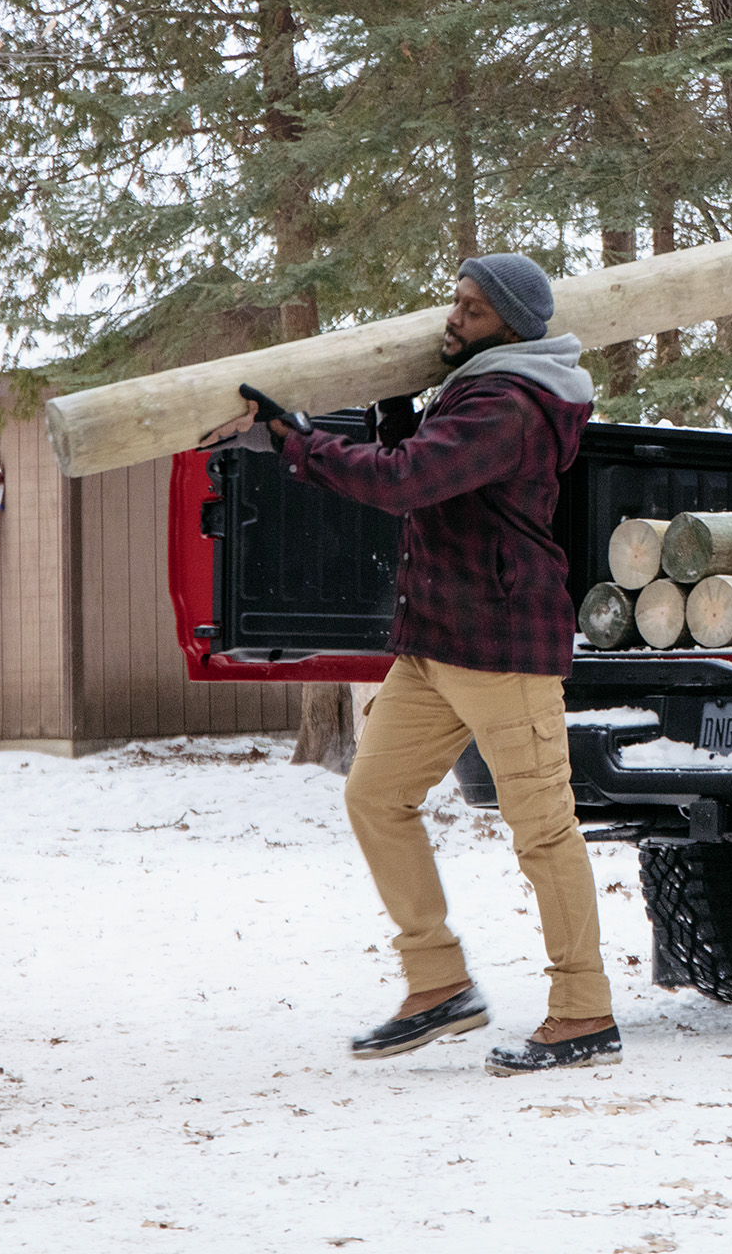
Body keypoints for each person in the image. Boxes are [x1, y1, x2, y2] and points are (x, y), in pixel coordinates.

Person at [212, 254, 616, 1073]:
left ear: (508, 322)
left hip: (502, 645)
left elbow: (409, 483)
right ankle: (438, 984)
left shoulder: (511, 401)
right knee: (375, 795)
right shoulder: (480, 385)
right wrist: (397, 408)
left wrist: (299, 444)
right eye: (455, 302)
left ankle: (584, 1012)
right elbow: (434, 472)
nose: (453, 317)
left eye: (471, 308)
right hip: (437, 642)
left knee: (542, 830)